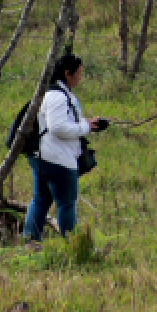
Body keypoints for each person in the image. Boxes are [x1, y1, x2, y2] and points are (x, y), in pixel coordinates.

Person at [22, 53, 109, 244]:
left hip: (43, 157)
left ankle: (31, 242)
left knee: (40, 200)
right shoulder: (57, 97)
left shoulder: (52, 93)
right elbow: (57, 127)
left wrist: (88, 123)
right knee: (66, 204)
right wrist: (85, 127)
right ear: (67, 74)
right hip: (57, 159)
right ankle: (72, 245)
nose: (80, 77)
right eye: (78, 73)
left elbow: (59, 123)